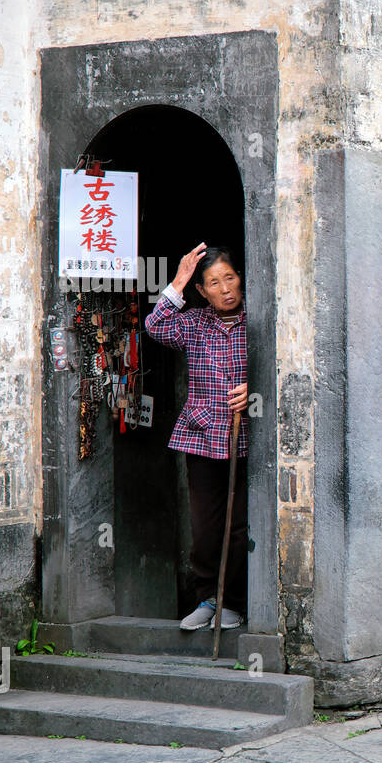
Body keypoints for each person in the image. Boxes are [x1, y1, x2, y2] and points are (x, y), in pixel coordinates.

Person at [145, 242, 250, 630]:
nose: (225, 288)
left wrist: (253, 390)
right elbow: (155, 327)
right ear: (202, 291)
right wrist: (178, 281)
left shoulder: (259, 320)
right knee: (205, 527)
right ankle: (207, 598)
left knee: (238, 528)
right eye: (213, 283)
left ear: (240, 278)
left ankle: (234, 604)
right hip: (202, 435)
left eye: (230, 278)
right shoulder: (193, 322)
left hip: (246, 436)